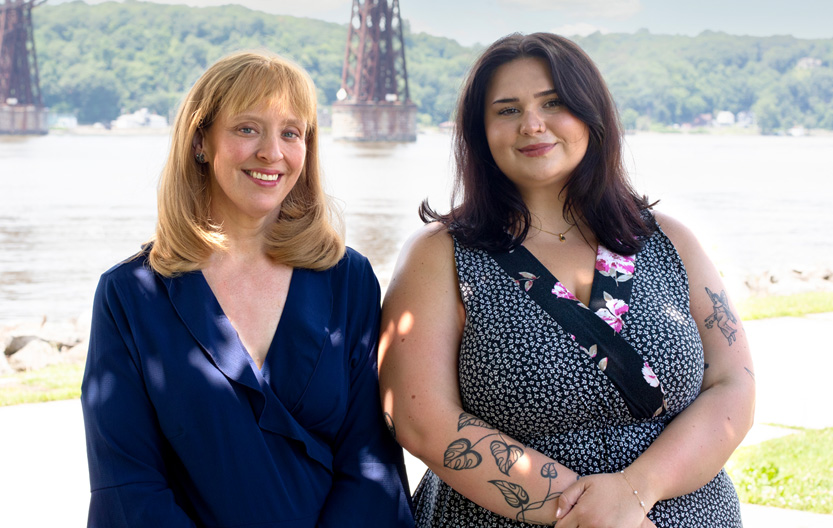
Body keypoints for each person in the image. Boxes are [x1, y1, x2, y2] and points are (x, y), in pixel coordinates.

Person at [378, 33, 755, 527]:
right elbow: (419, 417)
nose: (532, 125)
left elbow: (733, 383)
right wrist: (590, 516)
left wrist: (635, 492)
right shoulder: (441, 255)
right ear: (481, 132)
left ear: (591, 114)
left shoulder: (668, 240)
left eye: (553, 102)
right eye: (507, 110)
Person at [81, 50, 414, 527]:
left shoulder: (348, 278)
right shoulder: (129, 295)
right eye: (247, 128)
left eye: (291, 133)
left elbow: (371, 463)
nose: (272, 153)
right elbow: (128, 484)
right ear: (200, 141)